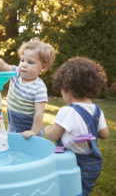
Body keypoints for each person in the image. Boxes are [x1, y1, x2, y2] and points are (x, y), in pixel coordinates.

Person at [44, 57, 109, 196]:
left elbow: (55, 134)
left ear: (66, 87)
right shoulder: (96, 109)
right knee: (81, 190)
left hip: (75, 163)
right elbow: (104, 134)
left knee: (70, 190)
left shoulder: (67, 111)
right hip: (93, 165)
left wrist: (46, 129)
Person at [0, 39, 55, 139]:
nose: (23, 64)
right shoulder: (16, 73)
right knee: (12, 148)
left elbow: (39, 113)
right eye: (22, 60)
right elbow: (3, 65)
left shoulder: (39, 88)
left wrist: (33, 131)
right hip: (13, 127)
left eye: (30, 62)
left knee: (29, 152)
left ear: (43, 67)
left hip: (30, 130)